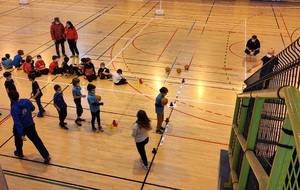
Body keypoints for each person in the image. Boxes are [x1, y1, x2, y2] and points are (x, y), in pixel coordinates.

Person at [8, 90, 51, 164]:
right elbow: (33, 108)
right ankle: (46, 155)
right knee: (37, 140)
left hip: (21, 128)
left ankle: (19, 153)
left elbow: (17, 122)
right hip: (30, 124)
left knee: (18, 141)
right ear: (18, 95)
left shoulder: (14, 108)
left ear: (11, 98)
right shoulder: (26, 101)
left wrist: (21, 134)